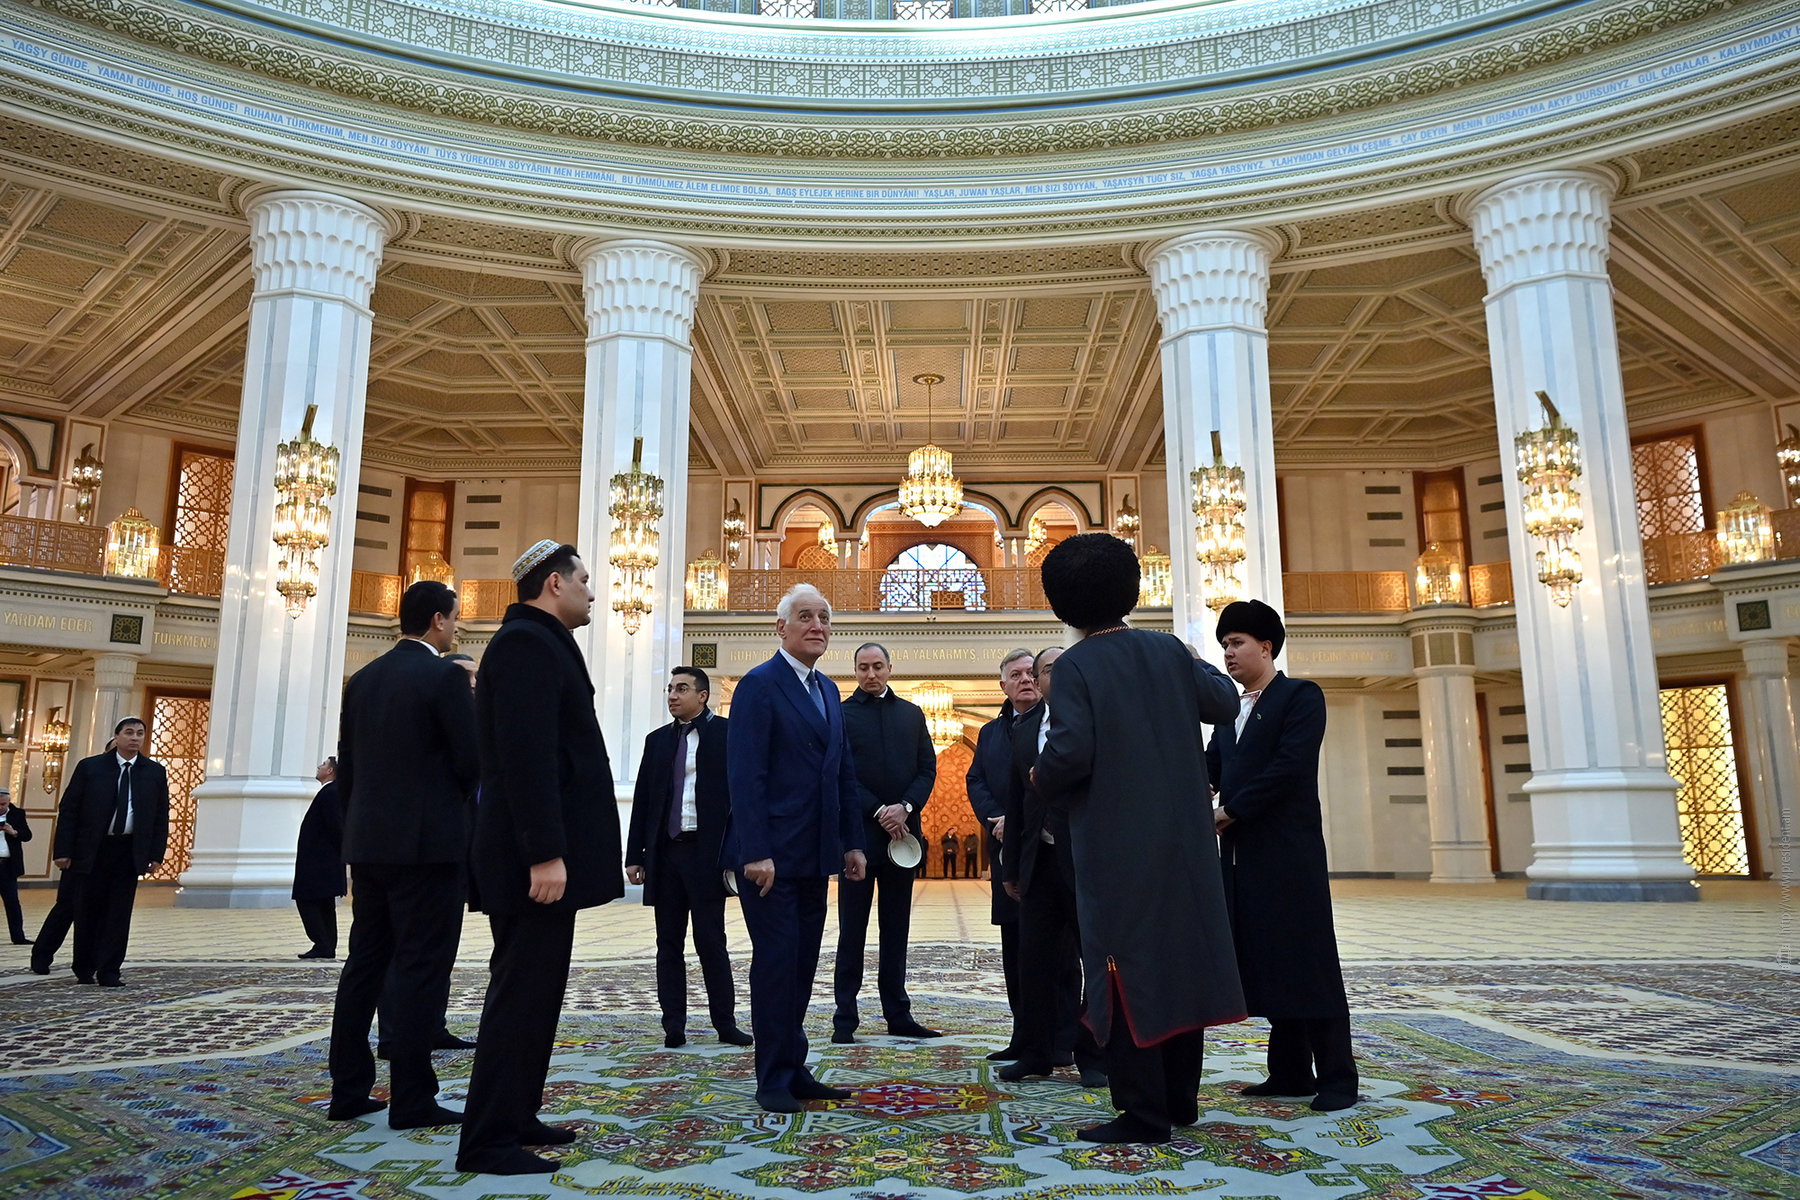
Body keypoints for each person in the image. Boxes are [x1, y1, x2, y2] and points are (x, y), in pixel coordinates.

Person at [1033, 533, 1244, 1144]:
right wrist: (1184, 655)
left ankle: (1142, 1112)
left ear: (1063, 603)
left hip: (1116, 848)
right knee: (1179, 963)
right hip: (1187, 846)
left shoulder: (1075, 665)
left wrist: (1040, 778)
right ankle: (1179, 1100)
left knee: (1123, 971)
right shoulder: (1168, 650)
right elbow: (1223, 701)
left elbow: (1070, 753)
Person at [458, 542, 623, 1175]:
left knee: (539, 994)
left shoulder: (540, 641)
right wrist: (545, 854)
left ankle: (518, 1113)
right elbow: (527, 759)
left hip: (541, 861)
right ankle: (487, 1140)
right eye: (584, 579)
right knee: (520, 997)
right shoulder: (526, 644)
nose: (592, 591)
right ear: (554, 583)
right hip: (532, 864)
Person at [329, 580, 478, 1131]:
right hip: (428, 848)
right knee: (420, 967)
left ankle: (347, 1089)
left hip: (368, 844)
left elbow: (347, 764)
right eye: (455, 618)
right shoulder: (442, 676)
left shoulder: (364, 679)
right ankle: (413, 1098)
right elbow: (470, 760)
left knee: (364, 964)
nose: (456, 628)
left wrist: (357, 831)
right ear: (438, 620)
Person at [722, 583, 867, 1114]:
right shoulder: (759, 685)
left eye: (825, 618)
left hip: (816, 852)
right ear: (780, 628)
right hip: (771, 857)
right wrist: (755, 850)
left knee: (804, 962)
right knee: (777, 963)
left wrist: (851, 842)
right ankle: (772, 1076)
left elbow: (842, 773)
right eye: (805, 617)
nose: (818, 626)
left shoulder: (827, 688)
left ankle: (794, 1064)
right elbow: (745, 775)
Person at [1209, 599, 1358, 1112]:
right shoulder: (1230, 712)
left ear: (1267, 647)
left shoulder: (1300, 696)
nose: (1228, 653)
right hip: (1241, 860)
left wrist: (1231, 810)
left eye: (1237, 643)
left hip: (1289, 857)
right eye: (1224, 645)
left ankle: (1338, 1078)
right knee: (1270, 961)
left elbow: (1290, 767)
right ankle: (1291, 1073)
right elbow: (1209, 768)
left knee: (1309, 963)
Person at [625, 665, 751, 1049]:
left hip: (705, 854)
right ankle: (674, 1025)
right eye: (670, 689)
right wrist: (634, 855)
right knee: (668, 943)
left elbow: (743, 795)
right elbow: (643, 800)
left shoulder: (728, 734)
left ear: (702, 695)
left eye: (682, 689)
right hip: (665, 855)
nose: (673, 695)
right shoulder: (657, 741)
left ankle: (725, 1023)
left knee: (711, 941)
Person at [998, 646, 1105, 1091]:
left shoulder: (1095, 721)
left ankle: (1094, 1055)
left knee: (1095, 962)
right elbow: (1016, 800)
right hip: (1038, 864)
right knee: (1034, 962)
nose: (1056, 676)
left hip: (1087, 863)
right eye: (1048, 670)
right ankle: (1036, 1053)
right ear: (1038, 681)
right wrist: (1011, 867)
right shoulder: (1024, 729)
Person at [833, 642, 939, 1044]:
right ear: (855, 671)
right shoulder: (841, 715)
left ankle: (898, 1014)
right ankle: (845, 1017)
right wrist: (880, 810)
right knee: (852, 931)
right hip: (858, 841)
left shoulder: (911, 714)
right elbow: (840, 774)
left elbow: (927, 769)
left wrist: (905, 807)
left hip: (903, 839)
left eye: (878, 666)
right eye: (863, 667)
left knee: (896, 931)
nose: (871, 674)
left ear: (890, 668)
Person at [51, 716, 170, 987]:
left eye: (140, 733)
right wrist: (63, 850)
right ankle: (84, 966)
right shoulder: (91, 767)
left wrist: (155, 854)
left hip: (128, 851)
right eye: (129, 732)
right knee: (87, 911)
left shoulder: (154, 772)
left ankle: (109, 970)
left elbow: (160, 816)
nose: (135, 737)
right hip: (93, 850)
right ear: (116, 737)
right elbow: (69, 810)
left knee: (118, 914)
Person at [965, 649, 1036, 1060]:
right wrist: (996, 818)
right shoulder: (990, 732)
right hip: (1004, 849)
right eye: (1017, 675)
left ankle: (1063, 1040)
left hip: (1046, 850)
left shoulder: (1058, 722)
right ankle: (1023, 1037)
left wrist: (1019, 819)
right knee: (1014, 946)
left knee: (1057, 951)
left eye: (1031, 673)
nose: (1025, 679)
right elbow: (976, 779)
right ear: (1003, 685)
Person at [29, 737, 111, 974]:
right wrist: (64, 852)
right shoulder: (89, 773)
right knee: (67, 907)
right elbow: (69, 813)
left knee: (102, 912)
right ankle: (42, 954)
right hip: (81, 855)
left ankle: (94, 961)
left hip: (111, 855)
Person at [294, 758, 345, 960]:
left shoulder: (330, 793)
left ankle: (322, 943)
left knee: (308, 901)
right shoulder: (331, 792)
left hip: (320, 861)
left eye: (323, 764)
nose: (319, 767)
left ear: (330, 770)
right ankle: (326, 945)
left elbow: (336, 827)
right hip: (323, 860)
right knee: (324, 904)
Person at [0, 787, 32, 944]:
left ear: (9, 802)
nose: (0, 807)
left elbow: (27, 836)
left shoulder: (17, 814)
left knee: (12, 902)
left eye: (3, 804)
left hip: (7, 866)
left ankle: (18, 936)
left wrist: (13, 832)